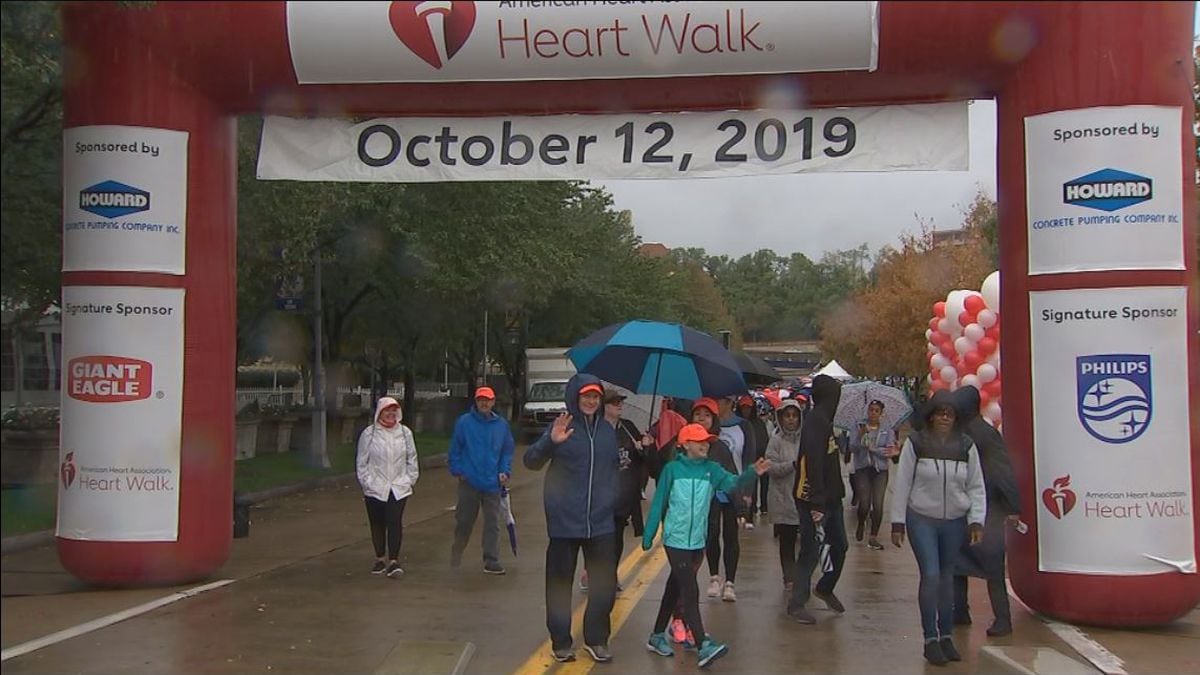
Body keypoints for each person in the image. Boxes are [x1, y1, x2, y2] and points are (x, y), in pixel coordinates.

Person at [642, 423, 770, 669]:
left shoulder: (712, 470)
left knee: (674, 586)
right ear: (685, 444)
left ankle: (656, 635)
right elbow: (659, 501)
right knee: (690, 590)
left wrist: (752, 473)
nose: (705, 445)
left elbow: (733, 483)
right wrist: (649, 535)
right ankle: (703, 645)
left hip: (697, 540)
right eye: (699, 441)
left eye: (707, 441)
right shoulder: (672, 470)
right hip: (675, 539)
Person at [523, 374, 620, 664]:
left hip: (601, 523)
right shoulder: (562, 427)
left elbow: (611, 468)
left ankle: (597, 639)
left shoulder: (606, 431)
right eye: (585, 396)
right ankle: (561, 641)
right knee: (559, 586)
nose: (591, 401)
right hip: (565, 522)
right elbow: (531, 461)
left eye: (595, 397)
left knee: (604, 586)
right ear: (575, 399)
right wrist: (550, 443)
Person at [890, 390, 987, 666]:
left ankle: (946, 636)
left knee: (947, 579)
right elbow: (903, 484)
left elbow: (976, 486)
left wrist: (976, 519)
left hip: (954, 521)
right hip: (922, 518)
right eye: (940, 413)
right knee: (931, 575)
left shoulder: (966, 446)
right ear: (931, 416)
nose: (944, 418)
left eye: (950, 413)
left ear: (956, 418)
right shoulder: (917, 444)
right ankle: (930, 638)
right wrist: (897, 521)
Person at [952, 386, 1022, 637]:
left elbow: (1002, 470)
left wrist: (1013, 506)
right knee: (960, 562)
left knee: (987, 564)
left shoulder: (981, 434)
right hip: (969, 506)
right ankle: (960, 611)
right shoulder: (967, 431)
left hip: (987, 508)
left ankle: (1001, 619)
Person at [787, 374, 848, 624]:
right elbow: (813, 462)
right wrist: (816, 503)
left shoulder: (827, 421)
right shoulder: (815, 421)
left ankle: (825, 586)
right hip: (812, 498)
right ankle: (796, 603)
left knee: (840, 546)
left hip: (832, 497)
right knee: (811, 552)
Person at [582, 389, 652, 592]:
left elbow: (644, 459)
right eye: (614, 403)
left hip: (623, 496)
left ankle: (610, 573)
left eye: (620, 402)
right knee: (597, 538)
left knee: (616, 538)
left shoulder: (628, 427)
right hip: (600, 495)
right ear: (604, 406)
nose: (619, 406)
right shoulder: (594, 428)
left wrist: (644, 447)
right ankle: (593, 572)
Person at [448, 386, 515, 575]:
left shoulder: (501, 425)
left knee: (492, 523)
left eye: (487, 400)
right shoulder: (464, 423)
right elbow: (455, 448)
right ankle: (457, 551)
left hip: (492, 483)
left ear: (493, 402)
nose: (484, 403)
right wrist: (457, 470)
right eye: (480, 400)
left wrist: (504, 471)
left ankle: (491, 559)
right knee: (464, 521)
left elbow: (507, 450)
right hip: (469, 481)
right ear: (476, 402)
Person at [355, 396, 419, 579]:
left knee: (394, 521)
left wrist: (409, 480)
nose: (390, 414)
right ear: (380, 413)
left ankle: (394, 560)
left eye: (393, 410)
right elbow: (362, 462)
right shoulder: (370, 434)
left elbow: (412, 459)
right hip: (375, 486)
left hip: (398, 487)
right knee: (377, 523)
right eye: (386, 411)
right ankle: (380, 558)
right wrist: (367, 483)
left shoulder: (405, 433)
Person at [708, 396, 758, 601]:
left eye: (722, 401)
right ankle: (713, 576)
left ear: (730, 403)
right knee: (711, 533)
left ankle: (730, 582)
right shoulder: (707, 428)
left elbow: (749, 459)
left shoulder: (743, 426)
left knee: (730, 535)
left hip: (734, 486)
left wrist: (747, 492)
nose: (718, 404)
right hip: (712, 488)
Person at [764, 399, 804, 593]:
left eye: (794, 416)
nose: (790, 420)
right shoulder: (776, 440)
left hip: (802, 498)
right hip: (782, 498)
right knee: (787, 541)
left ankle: (802, 574)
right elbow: (770, 467)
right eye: (787, 416)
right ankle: (789, 576)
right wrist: (791, 465)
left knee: (805, 541)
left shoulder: (805, 439)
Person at [849, 400, 899, 550]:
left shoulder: (887, 430)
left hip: (880, 470)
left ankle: (873, 537)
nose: (873, 413)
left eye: (877, 411)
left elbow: (889, 450)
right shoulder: (859, 426)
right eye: (871, 410)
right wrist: (859, 437)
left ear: (881, 413)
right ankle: (861, 522)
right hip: (863, 469)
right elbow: (852, 447)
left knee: (878, 504)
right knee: (864, 503)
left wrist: (874, 449)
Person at [737, 395, 770, 524]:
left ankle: (764, 507)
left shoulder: (758, 423)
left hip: (760, 457)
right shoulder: (738, 423)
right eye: (743, 407)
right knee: (750, 486)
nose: (746, 410)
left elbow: (764, 438)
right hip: (745, 461)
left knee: (764, 483)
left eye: (748, 408)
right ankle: (748, 513)